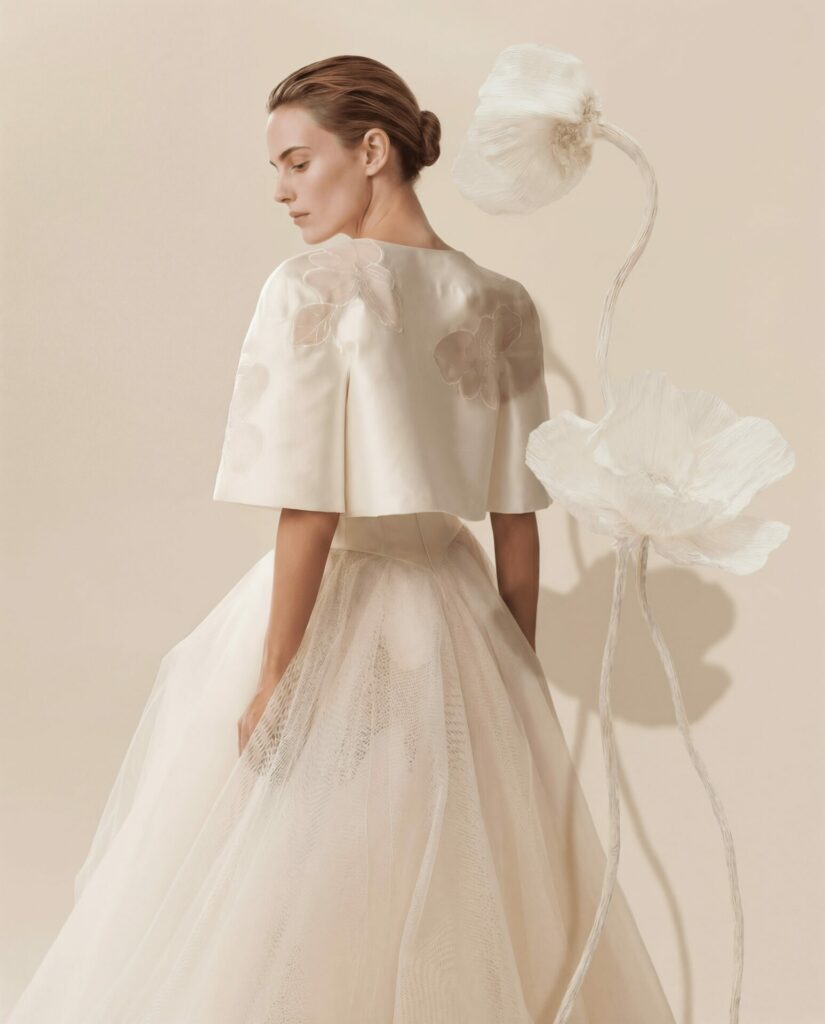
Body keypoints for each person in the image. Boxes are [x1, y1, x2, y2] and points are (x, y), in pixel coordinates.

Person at [4, 56, 676, 1024]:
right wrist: (514, 666)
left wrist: (279, 674)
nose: (281, 190)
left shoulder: (315, 285)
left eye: (296, 161)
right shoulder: (503, 299)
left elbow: (311, 505)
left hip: (346, 594)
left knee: (300, 861)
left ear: (371, 150)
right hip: (461, 609)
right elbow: (519, 518)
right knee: (445, 867)